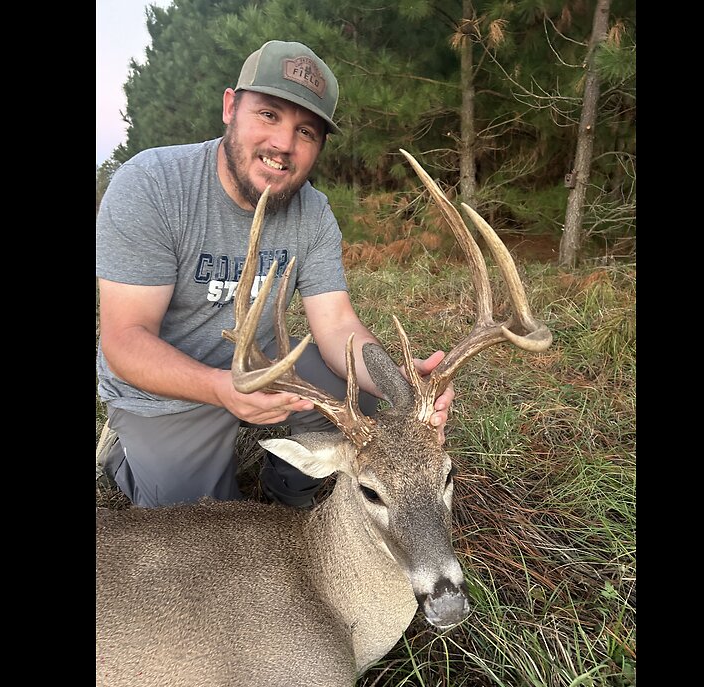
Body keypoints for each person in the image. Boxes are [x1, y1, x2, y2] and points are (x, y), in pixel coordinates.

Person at [95, 40, 454, 509]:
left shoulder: (312, 211)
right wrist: (219, 389)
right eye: (268, 115)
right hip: (167, 390)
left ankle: (288, 495)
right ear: (230, 107)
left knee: (360, 401)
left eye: (305, 131)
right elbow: (124, 338)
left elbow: (337, 326)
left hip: (263, 366)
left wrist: (403, 386)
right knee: (206, 527)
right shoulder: (152, 185)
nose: (283, 144)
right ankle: (128, 457)